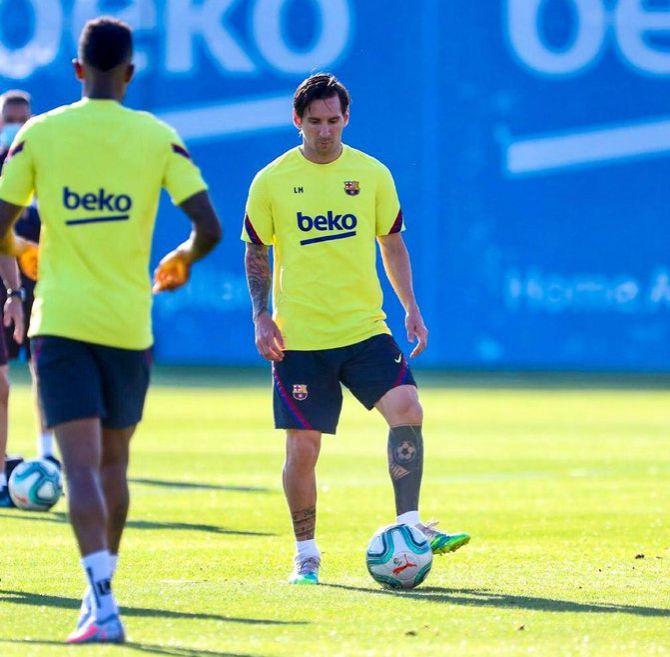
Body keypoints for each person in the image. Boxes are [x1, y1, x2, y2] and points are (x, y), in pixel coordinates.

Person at [0, 17, 221, 643]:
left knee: (80, 470)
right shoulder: (156, 135)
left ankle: (101, 602)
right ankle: (103, 593)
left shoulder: (39, 134)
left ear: (77, 71)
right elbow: (207, 226)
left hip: (62, 324)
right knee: (114, 467)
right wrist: (179, 261)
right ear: (129, 73)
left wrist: (23, 249)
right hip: (128, 324)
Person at [242, 73, 470, 586]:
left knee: (408, 409)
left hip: (364, 329)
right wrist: (260, 315)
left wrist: (410, 305)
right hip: (299, 338)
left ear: (347, 118)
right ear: (297, 121)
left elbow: (392, 244)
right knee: (303, 449)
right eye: (315, 122)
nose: (325, 131)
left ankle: (410, 525)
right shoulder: (271, 181)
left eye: (334, 120)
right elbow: (257, 253)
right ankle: (306, 553)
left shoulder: (371, 174)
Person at [0, 90, 59, 477]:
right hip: (4, 280)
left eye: (23, 119)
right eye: (9, 119)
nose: (16, 127)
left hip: (41, 279)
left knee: (44, 369)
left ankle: (47, 451)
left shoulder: (43, 165)